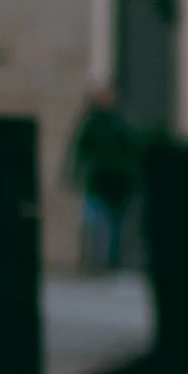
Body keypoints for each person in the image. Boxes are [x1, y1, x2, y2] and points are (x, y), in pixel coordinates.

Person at [66, 87, 142, 274]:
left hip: (113, 183)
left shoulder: (115, 124)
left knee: (109, 225)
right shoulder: (99, 125)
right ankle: (100, 261)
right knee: (101, 224)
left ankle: (106, 262)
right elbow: (81, 151)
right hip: (102, 183)